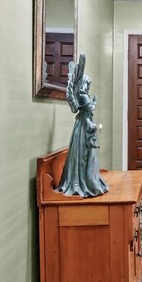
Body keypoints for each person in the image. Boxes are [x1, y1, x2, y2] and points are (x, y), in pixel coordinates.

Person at [57, 54, 109, 197]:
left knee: (84, 153)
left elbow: (86, 109)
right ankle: (85, 182)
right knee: (85, 154)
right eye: (88, 84)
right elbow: (87, 110)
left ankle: (86, 179)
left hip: (82, 125)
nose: (88, 86)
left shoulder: (82, 95)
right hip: (85, 125)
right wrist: (91, 125)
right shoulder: (83, 96)